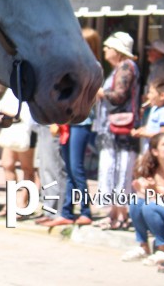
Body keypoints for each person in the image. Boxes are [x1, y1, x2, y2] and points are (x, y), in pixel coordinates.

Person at [52, 27, 101, 227]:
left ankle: (85, 210)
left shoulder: (92, 67)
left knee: (76, 167)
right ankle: (67, 211)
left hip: (81, 121)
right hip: (69, 121)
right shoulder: (77, 66)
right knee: (69, 167)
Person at [94, 32, 141, 231]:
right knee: (113, 170)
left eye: (108, 47)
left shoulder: (126, 67)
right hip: (113, 129)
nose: (105, 50)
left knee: (120, 170)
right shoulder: (120, 68)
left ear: (117, 50)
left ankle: (121, 214)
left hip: (121, 129)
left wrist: (99, 92)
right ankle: (114, 213)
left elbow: (119, 96)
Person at [122, 133, 164, 264]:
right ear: (155, 151)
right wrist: (143, 189)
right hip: (163, 212)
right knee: (136, 202)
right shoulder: (153, 170)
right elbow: (155, 197)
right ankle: (143, 247)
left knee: (149, 207)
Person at [0, 88, 38, 220]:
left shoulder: (33, 88)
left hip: (27, 130)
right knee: (7, 165)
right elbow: (1, 107)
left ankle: (23, 204)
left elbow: (31, 113)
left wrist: (14, 114)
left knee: (27, 169)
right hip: (11, 129)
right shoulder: (11, 88)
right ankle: (10, 203)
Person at [131, 77, 164, 152]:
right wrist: (140, 130)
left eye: (151, 93)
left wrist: (145, 134)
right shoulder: (154, 109)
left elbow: (162, 134)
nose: (148, 96)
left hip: (156, 151)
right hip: (147, 148)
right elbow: (151, 126)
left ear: (162, 96)